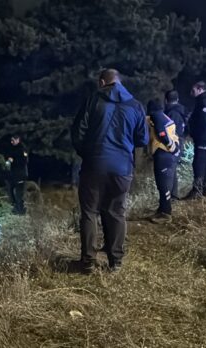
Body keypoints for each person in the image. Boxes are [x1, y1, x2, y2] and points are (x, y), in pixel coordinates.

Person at [70, 69, 148, 273]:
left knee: (89, 212)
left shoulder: (94, 100)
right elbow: (142, 139)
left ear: (102, 82)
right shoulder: (135, 105)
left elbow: (78, 132)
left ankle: (88, 261)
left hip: (94, 165)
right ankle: (116, 262)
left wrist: (86, 153)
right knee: (116, 212)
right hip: (122, 167)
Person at [146, 100, 180, 224]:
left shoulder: (156, 116)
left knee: (163, 184)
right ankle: (162, 210)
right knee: (164, 183)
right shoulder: (164, 116)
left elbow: (161, 132)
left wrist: (171, 146)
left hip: (163, 153)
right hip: (167, 154)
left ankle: (166, 214)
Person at [183, 81, 206, 200]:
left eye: (193, 90)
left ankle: (196, 190)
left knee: (198, 163)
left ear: (200, 89)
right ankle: (205, 189)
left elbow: (205, 118)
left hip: (203, 137)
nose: (191, 92)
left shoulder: (204, 100)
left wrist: (194, 129)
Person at [164, 90, 187, 199]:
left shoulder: (171, 113)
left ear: (166, 100)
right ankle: (173, 195)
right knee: (172, 168)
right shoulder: (181, 111)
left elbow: (171, 131)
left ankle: (173, 196)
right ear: (177, 99)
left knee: (171, 169)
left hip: (174, 141)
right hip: (180, 140)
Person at [5, 135, 28, 215]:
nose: (11, 142)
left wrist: (13, 161)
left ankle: (21, 211)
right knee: (11, 192)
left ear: (18, 139)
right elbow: (9, 155)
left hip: (20, 175)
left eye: (13, 140)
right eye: (11, 140)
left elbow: (24, 162)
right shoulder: (12, 148)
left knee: (19, 194)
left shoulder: (23, 149)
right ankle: (15, 209)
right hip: (13, 175)